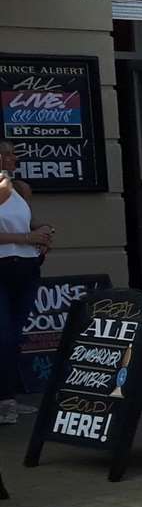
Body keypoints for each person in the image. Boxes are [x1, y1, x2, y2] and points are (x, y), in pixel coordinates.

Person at [0, 142, 51, 425]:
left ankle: (8, 398)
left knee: (15, 335)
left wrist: (44, 232)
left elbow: (28, 223)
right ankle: (3, 399)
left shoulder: (19, 188)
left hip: (26, 267)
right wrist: (25, 239)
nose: (12, 157)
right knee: (3, 334)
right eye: (5, 153)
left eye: (13, 153)